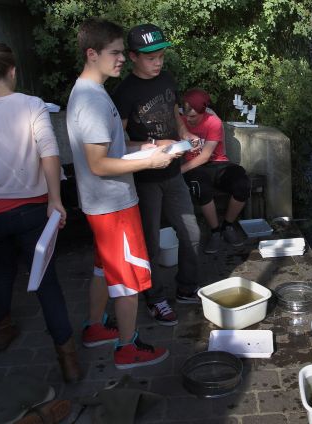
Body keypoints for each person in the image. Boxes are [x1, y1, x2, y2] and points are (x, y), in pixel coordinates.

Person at [0, 43, 80, 383]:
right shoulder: (31, 104)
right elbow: (49, 153)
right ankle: (68, 361)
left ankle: (1, 330)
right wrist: (56, 200)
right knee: (46, 280)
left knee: (2, 269)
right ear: (13, 71)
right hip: (31, 209)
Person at [67, 18, 175, 369]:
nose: (121, 59)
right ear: (92, 53)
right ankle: (127, 348)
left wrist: (143, 146)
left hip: (100, 204)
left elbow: (110, 149)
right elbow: (99, 164)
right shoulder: (94, 101)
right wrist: (150, 163)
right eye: (115, 53)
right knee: (127, 280)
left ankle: (95, 327)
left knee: (104, 269)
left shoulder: (89, 92)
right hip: (113, 205)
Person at [111, 23, 203, 326]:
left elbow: (175, 113)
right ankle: (155, 298)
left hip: (174, 173)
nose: (158, 62)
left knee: (191, 232)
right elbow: (117, 142)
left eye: (161, 56)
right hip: (144, 179)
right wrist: (153, 145)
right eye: (151, 58)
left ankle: (188, 288)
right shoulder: (123, 92)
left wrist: (185, 133)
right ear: (134, 57)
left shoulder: (166, 78)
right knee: (149, 242)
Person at [180, 88, 251, 253]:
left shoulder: (213, 122)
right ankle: (215, 231)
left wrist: (179, 170)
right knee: (200, 187)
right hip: (194, 167)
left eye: (193, 117)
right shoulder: (180, 121)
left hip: (217, 164)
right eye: (186, 115)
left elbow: (205, 156)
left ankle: (227, 225)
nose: (189, 120)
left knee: (242, 184)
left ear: (203, 112)